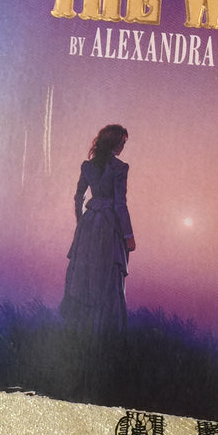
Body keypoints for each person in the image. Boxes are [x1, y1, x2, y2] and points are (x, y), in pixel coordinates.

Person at [61, 124, 135, 339]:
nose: (123, 146)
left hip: (89, 224)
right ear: (114, 143)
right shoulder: (120, 168)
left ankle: (81, 331)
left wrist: (81, 222)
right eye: (122, 142)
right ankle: (104, 333)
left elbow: (78, 197)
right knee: (107, 276)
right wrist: (129, 235)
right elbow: (120, 204)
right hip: (109, 225)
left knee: (86, 275)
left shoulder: (87, 166)